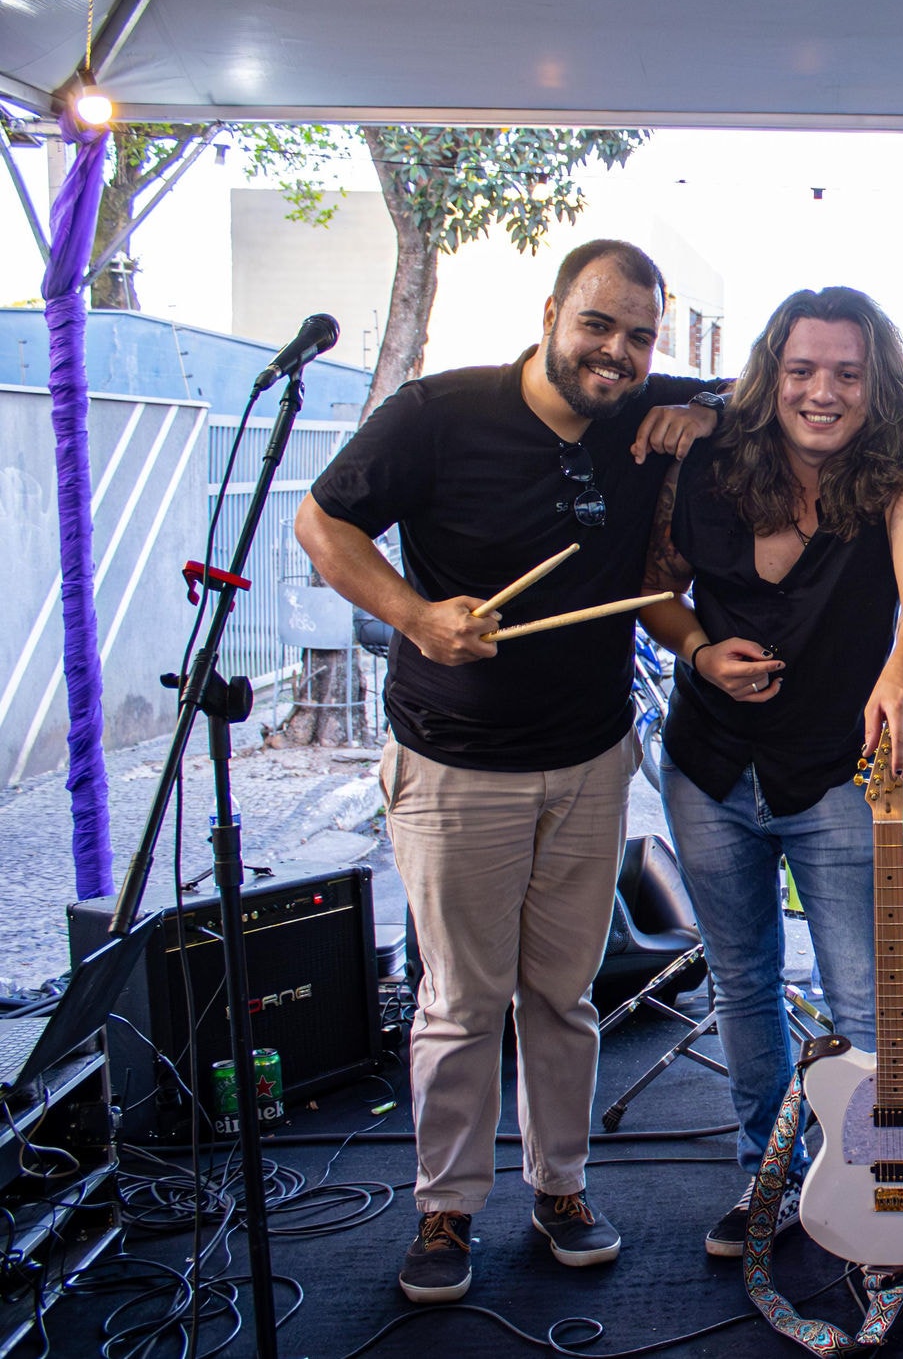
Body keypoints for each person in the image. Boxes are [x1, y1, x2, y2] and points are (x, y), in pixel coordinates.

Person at [297, 239, 730, 1304]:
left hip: (589, 761)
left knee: (564, 994)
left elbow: (779, 389)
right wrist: (412, 613)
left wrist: (711, 412)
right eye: (599, 325)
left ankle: (561, 1186)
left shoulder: (639, 405)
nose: (618, 353)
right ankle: (445, 1210)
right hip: (456, 764)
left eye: (640, 336)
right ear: (550, 314)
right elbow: (322, 521)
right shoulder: (440, 413)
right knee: (459, 1000)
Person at [637, 288, 903, 1286]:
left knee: (866, 1003)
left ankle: (877, 1190)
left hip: (839, 777)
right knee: (742, 983)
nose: (821, 392)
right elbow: (656, 580)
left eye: (847, 374)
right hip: (709, 766)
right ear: (771, 371)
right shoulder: (705, 457)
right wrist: (695, 650)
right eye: (801, 370)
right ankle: (767, 1179)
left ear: (877, 382)